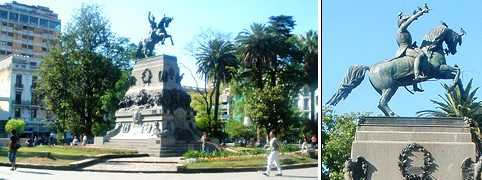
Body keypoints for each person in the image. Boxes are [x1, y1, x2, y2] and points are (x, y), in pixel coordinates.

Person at [395, 6, 430, 91]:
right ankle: (417, 75)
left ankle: (415, 85)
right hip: (404, 49)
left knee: (423, 54)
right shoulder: (401, 29)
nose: (406, 22)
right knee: (418, 56)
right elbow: (410, 21)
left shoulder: (406, 31)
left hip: (410, 47)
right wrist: (420, 13)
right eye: (405, 21)